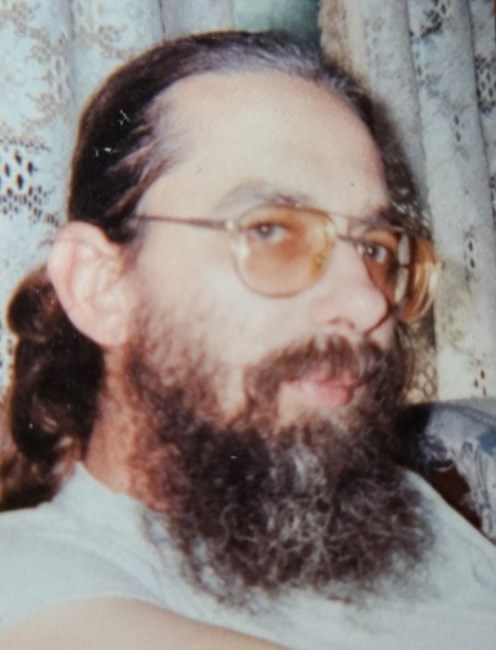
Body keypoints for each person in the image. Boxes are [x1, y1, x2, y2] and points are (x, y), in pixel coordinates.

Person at [0, 30, 495, 649]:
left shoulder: (408, 513)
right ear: (99, 287)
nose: (369, 301)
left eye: (374, 248)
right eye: (269, 231)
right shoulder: (28, 576)